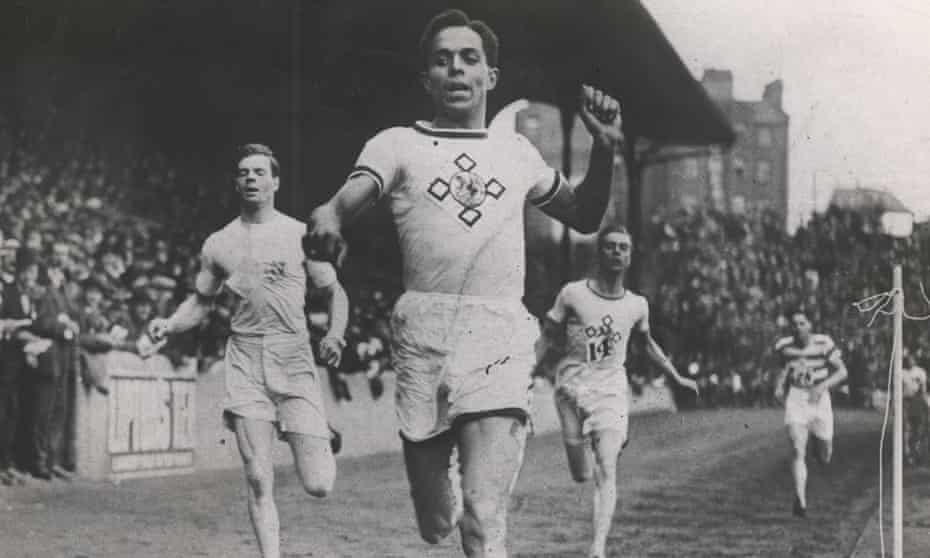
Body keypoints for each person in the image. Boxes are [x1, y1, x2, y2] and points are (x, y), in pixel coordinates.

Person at [305, 9, 622, 557]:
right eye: (442, 60)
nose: (455, 69)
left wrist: (607, 147)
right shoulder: (396, 144)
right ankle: (445, 498)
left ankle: (480, 511)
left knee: (482, 515)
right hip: (424, 332)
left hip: (497, 330)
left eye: (469, 59)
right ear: (426, 78)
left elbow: (587, 216)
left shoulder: (518, 153)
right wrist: (330, 217)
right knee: (436, 522)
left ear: (490, 78)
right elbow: (346, 199)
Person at [149, 144, 348, 558]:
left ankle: (321, 432)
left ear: (275, 182)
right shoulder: (220, 243)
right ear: (236, 182)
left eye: (260, 172)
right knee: (258, 476)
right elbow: (201, 302)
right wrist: (169, 324)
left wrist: (335, 334)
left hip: (292, 356)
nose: (251, 178)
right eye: (244, 172)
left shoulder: (298, 235)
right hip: (244, 357)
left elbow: (335, 293)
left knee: (319, 485)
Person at [537, 225, 698, 558]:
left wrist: (677, 377)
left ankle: (597, 549)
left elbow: (647, 345)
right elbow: (548, 335)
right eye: (610, 246)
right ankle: (584, 446)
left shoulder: (637, 305)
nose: (617, 253)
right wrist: (523, 372)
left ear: (629, 256)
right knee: (581, 473)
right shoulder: (573, 294)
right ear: (599, 252)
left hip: (610, 389)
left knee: (607, 466)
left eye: (623, 248)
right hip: (570, 387)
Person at [773, 307, 848, 518]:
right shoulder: (784, 347)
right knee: (797, 449)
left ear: (810, 326)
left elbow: (842, 371)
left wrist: (822, 386)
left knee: (825, 456)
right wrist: (779, 386)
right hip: (797, 398)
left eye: (802, 324)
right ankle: (801, 500)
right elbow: (783, 370)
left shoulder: (824, 343)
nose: (798, 328)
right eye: (794, 324)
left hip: (819, 401)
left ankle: (818, 444)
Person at [901, 350, 928, 465]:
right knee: (907, 427)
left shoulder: (920, 372)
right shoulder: (901, 372)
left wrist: (925, 403)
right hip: (906, 402)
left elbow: (923, 389)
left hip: (917, 401)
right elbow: (898, 390)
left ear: (915, 359)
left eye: (912, 358)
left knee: (919, 428)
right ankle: (907, 454)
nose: (910, 360)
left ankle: (916, 451)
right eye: (907, 358)